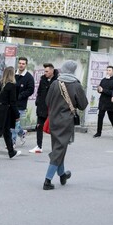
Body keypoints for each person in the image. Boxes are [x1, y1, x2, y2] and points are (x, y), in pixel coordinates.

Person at [43, 60, 88, 190]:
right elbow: (83, 105)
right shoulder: (76, 85)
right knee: (59, 149)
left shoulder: (55, 83)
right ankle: (47, 180)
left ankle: (62, 174)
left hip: (53, 119)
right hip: (66, 121)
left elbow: (47, 101)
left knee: (58, 147)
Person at [0, 67, 22, 159]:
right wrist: (17, 115)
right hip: (6, 110)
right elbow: (13, 102)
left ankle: (11, 152)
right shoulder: (12, 85)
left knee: (6, 131)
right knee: (0, 132)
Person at [30, 63, 58, 153]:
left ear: (52, 71)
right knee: (39, 126)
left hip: (51, 108)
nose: (45, 73)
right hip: (41, 107)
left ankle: (55, 147)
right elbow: (39, 92)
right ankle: (39, 146)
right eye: (44, 71)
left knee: (53, 128)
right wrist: (37, 101)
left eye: (47, 71)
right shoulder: (42, 79)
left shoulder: (57, 80)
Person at [13, 57, 35, 146]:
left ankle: (12, 142)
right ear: (18, 64)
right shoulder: (13, 74)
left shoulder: (29, 77)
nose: (21, 65)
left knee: (15, 124)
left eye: (23, 63)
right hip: (11, 103)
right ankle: (22, 133)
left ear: (26, 65)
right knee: (13, 124)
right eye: (20, 63)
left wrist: (20, 96)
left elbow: (31, 90)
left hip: (21, 104)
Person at [94, 65, 113, 138]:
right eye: (107, 70)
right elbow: (100, 89)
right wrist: (99, 90)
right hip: (103, 101)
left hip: (110, 101)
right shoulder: (103, 80)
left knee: (111, 117)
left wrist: (103, 90)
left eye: (109, 70)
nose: (108, 72)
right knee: (100, 116)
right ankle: (98, 132)